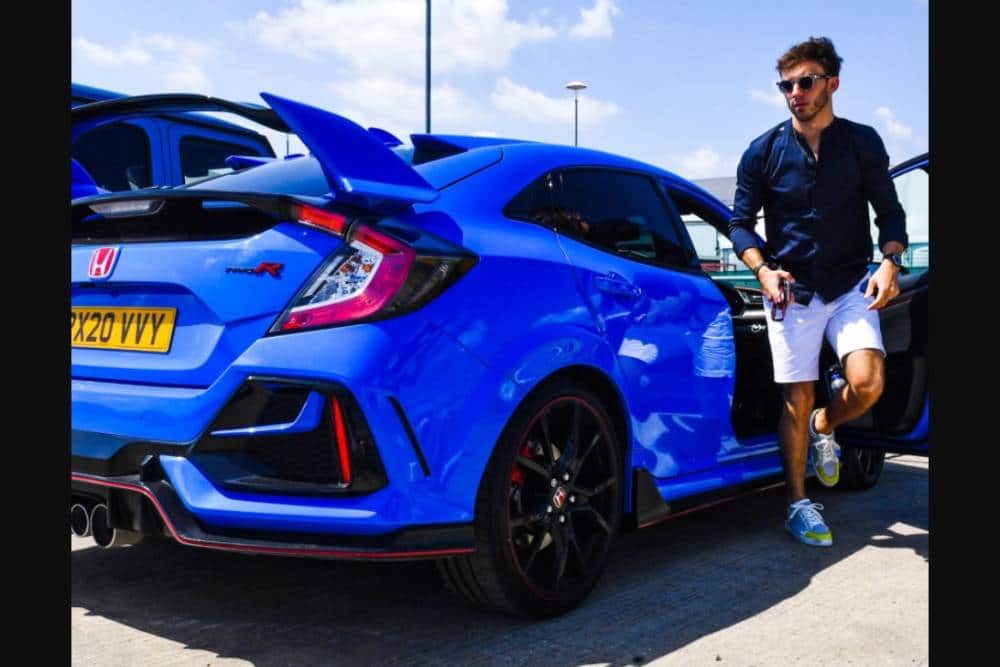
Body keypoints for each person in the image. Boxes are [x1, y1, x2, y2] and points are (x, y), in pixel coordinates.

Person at [728, 36, 907, 547]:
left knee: (868, 382)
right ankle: (797, 504)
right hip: (791, 290)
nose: (795, 93)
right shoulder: (762, 152)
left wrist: (890, 263)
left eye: (805, 82)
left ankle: (825, 424)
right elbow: (740, 225)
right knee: (795, 397)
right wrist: (763, 271)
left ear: (832, 83)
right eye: (786, 85)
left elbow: (890, 213)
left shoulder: (862, 143)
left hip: (850, 285)